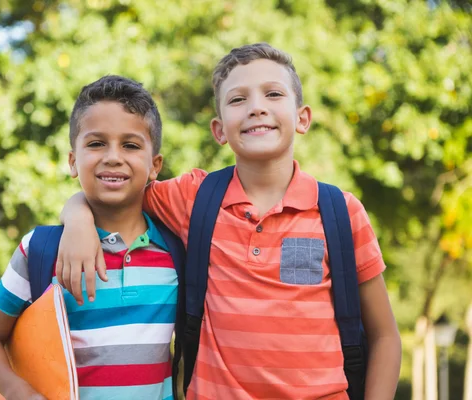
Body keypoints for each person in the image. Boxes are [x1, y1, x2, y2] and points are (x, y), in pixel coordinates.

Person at [57, 43, 402, 399]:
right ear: (219, 130)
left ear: (302, 117)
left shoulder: (340, 213)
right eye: (238, 100)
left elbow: (385, 337)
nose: (256, 108)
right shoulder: (193, 198)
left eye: (273, 93)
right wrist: (77, 216)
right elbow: (116, 190)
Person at [0, 75, 180, 400]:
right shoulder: (38, 251)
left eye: (131, 144)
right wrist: (18, 391)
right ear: (72, 161)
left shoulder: (177, 251)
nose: (113, 156)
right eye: (96, 143)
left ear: (155, 165)